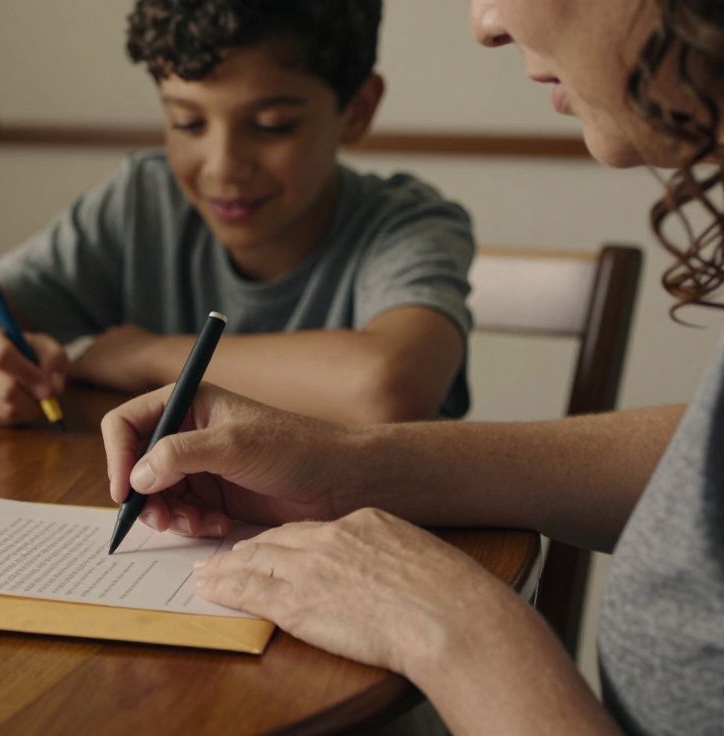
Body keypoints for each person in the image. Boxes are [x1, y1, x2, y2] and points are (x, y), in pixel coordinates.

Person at [101, 1, 723, 733]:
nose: (484, 22)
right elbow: (705, 470)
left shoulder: (403, 219)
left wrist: (451, 628)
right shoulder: (131, 199)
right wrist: (347, 466)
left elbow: (388, 377)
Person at [0, 0, 476, 428]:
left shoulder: (407, 223)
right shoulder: (143, 201)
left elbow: (388, 385)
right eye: (187, 123)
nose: (224, 167)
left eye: (272, 125)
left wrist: (146, 356)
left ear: (357, 110)